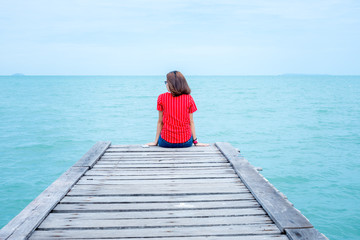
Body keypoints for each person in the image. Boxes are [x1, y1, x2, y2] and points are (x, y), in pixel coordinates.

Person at [146, 71, 209, 147]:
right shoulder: (189, 98)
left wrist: (155, 142)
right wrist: (195, 142)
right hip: (186, 142)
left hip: (166, 143)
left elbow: (160, 122)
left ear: (171, 84)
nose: (166, 84)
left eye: (166, 82)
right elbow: (191, 122)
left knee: (163, 135)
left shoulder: (161, 97)